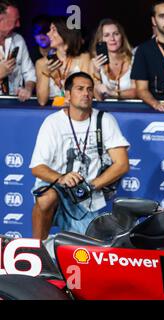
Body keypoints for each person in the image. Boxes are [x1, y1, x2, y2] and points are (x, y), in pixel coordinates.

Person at [30, 72, 130, 240]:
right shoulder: (52, 122)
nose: (86, 93)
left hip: (88, 195)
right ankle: (36, 248)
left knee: (85, 252)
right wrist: (61, 178)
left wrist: (92, 186)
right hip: (58, 187)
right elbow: (37, 167)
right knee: (46, 199)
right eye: (80, 89)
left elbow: (122, 164)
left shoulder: (105, 120)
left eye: (90, 89)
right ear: (68, 94)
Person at [36, 16, 91, 106]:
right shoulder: (41, 63)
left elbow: (86, 93)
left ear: (66, 32)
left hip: (77, 110)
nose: (48, 34)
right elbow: (42, 101)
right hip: (52, 112)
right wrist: (46, 73)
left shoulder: (84, 58)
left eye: (53, 30)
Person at [89, 19, 137, 101]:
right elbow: (98, 98)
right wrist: (96, 73)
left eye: (116, 34)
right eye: (107, 35)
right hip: (106, 109)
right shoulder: (94, 62)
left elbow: (137, 91)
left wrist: (112, 93)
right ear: (101, 39)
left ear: (122, 37)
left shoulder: (134, 60)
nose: (112, 38)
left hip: (131, 110)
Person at [0, 0, 35, 102]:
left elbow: (30, 73)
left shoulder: (18, 40)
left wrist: (28, 88)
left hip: (15, 103)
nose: (18, 25)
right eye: (15, 21)